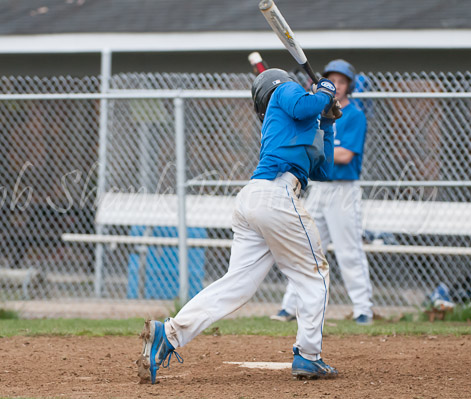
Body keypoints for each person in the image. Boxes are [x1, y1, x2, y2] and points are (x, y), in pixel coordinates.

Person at [137, 68, 342, 384]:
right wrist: (325, 91)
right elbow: (305, 104)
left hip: (257, 200)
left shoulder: (297, 122)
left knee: (238, 284)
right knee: (314, 274)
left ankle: (170, 333)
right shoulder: (283, 91)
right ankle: (309, 356)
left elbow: (323, 171)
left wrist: (327, 122)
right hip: (276, 196)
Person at [271, 59, 374, 325]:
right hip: (318, 190)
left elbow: (343, 155)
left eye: (342, 82)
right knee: (304, 247)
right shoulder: (317, 113)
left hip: (343, 191)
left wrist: (317, 153)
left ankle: (363, 309)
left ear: (349, 86)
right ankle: (289, 307)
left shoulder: (354, 115)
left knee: (348, 250)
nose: (337, 86)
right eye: (333, 81)